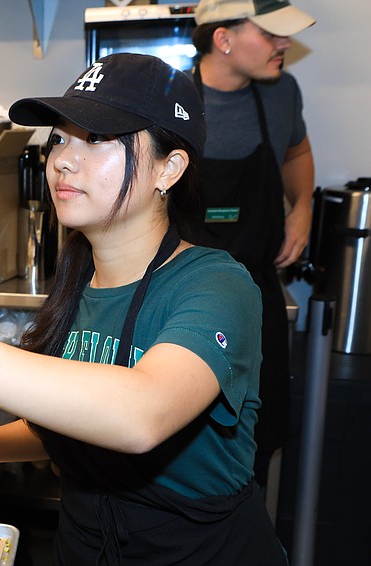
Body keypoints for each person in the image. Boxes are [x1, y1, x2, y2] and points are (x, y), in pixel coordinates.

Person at [0, 53, 286, 564]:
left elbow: (141, 415)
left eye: (98, 139)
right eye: (59, 139)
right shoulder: (76, 283)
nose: (63, 159)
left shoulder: (217, 286)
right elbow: (75, 424)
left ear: (168, 168)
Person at [191, 0, 316, 486]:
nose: (285, 43)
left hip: (257, 303)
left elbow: (296, 151)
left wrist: (301, 206)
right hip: (181, 304)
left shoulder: (283, 92)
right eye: (270, 33)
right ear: (222, 39)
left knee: (251, 451)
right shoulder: (172, 97)